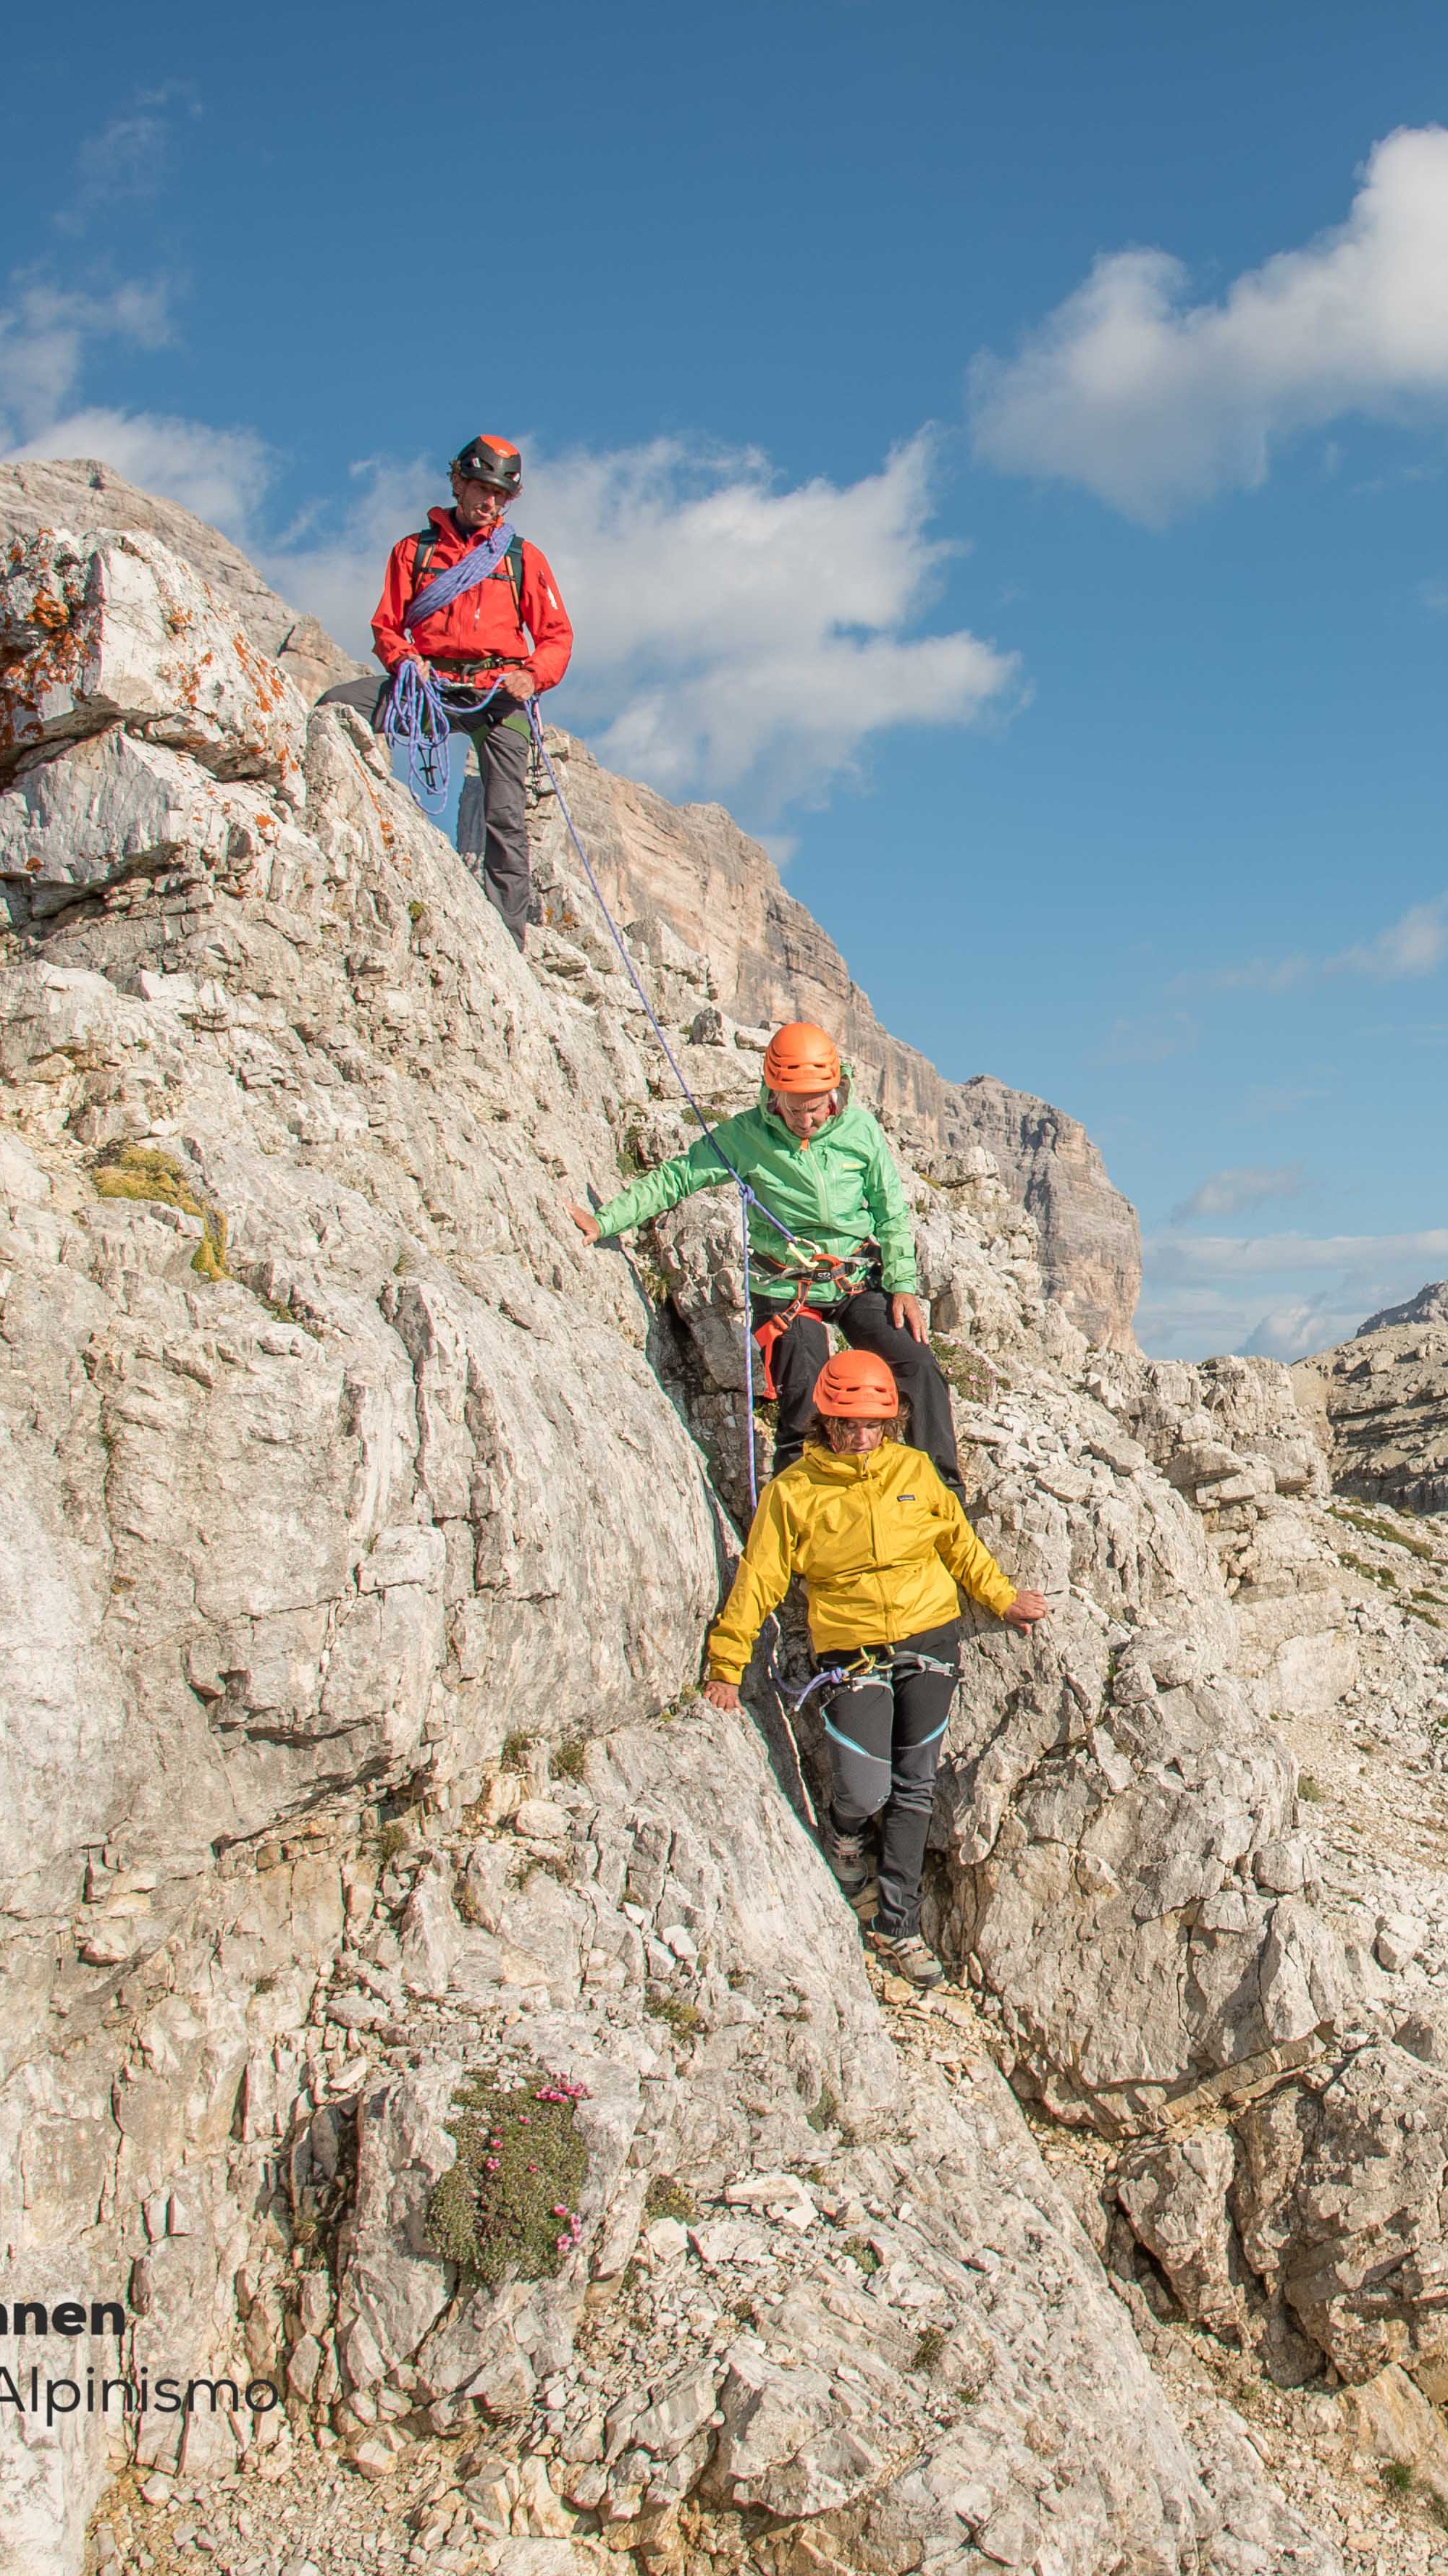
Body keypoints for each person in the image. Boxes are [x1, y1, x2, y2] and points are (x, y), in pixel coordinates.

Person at [702, 1346, 1048, 1984]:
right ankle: (845, 1837)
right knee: (866, 1791)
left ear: (891, 1422)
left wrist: (1001, 1597)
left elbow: (959, 1545)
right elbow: (760, 1579)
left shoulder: (915, 1471)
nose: (861, 1436)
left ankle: (898, 1925)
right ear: (825, 1423)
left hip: (928, 1641)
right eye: (847, 1423)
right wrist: (728, 1662)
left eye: (872, 1424)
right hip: (852, 1650)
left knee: (915, 1788)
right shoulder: (795, 1493)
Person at [568, 1020, 967, 1490]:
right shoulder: (747, 1136)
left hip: (853, 1277)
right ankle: (796, 1537)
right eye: (793, 1108)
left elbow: (891, 1209)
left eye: (815, 1108)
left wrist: (902, 1286)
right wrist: (607, 1220)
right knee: (806, 1398)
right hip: (785, 1287)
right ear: (772, 1093)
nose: (805, 1120)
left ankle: (944, 1503)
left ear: (835, 1091)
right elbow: (678, 1177)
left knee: (918, 1368)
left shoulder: (860, 1130)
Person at [371, 434, 575, 945]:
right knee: (339, 708)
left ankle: (509, 940)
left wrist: (532, 676)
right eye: (482, 489)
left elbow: (555, 636)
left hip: (495, 694)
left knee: (505, 816)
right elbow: (387, 626)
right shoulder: (413, 552)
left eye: (501, 495)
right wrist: (403, 660)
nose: (491, 503)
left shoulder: (521, 559)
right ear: (458, 484)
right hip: (427, 686)